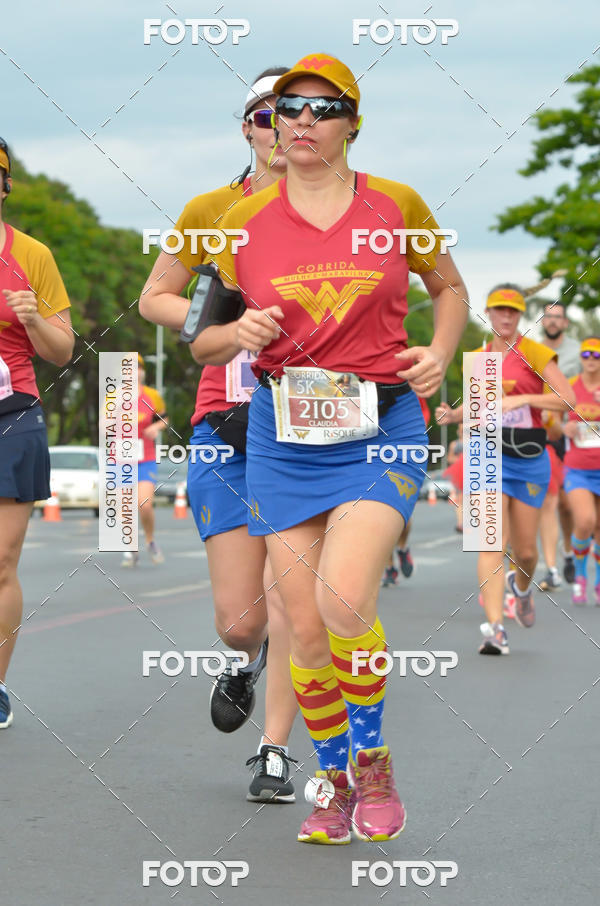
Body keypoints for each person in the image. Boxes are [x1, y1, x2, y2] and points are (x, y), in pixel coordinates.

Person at [199, 53, 469, 843]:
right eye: (290, 108)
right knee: (304, 626)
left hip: (382, 427)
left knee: (344, 600)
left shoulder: (396, 205)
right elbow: (200, 338)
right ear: (271, 124)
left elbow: (449, 288)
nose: (304, 121)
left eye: (324, 108)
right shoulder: (240, 222)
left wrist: (440, 351)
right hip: (282, 439)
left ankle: (375, 765)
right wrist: (235, 334)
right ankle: (335, 783)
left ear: (353, 123)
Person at [139, 69, 299, 802]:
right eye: (268, 114)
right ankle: (243, 656)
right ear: (247, 127)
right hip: (226, 423)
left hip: (308, 430)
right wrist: (223, 321)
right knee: (241, 619)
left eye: (301, 111)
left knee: (294, 599)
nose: (285, 125)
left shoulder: (349, 215)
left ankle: (275, 751)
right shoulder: (211, 210)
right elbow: (155, 298)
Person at [437, 284, 575, 655]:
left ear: (520, 315)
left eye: (513, 311)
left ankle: (522, 588)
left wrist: (523, 399)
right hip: (486, 455)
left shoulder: (535, 352)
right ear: (489, 313)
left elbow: (567, 400)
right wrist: (454, 415)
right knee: (491, 543)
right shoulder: (479, 358)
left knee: (525, 552)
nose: (506, 316)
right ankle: (495, 629)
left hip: (528, 457)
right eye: (500, 309)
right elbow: (480, 407)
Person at [0, 137, 74, 727]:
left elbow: (62, 349)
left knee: (1, 560)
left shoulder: (30, 254)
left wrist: (32, 319)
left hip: (12, 414)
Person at [539, 300, 582, 588]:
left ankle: (568, 553)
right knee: (548, 499)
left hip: (573, 433)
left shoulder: (579, 353)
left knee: (566, 505)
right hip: (541, 431)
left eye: (558, 317)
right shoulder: (532, 350)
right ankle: (551, 569)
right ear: (542, 321)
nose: (553, 321)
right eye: (548, 317)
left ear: (565, 323)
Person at [561, 338, 600, 604]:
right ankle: (580, 573)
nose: (591, 359)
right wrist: (564, 427)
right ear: (580, 357)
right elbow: (551, 421)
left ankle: (597, 580)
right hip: (578, 468)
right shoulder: (570, 386)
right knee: (585, 521)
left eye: (596, 355)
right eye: (586, 354)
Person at [121, 353, 168, 567]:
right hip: (121, 459)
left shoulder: (152, 395)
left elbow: (164, 419)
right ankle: (130, 548)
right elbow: (103, 425)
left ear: (141, 372)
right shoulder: (114, 396)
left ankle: (150, 541)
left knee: (145, 504)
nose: (133, 372)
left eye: (136, 368)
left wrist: (155, 427)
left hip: (146, 457)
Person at [381, 397, 429, 586]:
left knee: (401, 515)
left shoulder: (410, 388)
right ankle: (389, 568)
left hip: (403, 449)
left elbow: (423, 414)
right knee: (381, 517)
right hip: (372, 451)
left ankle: (402, 548)